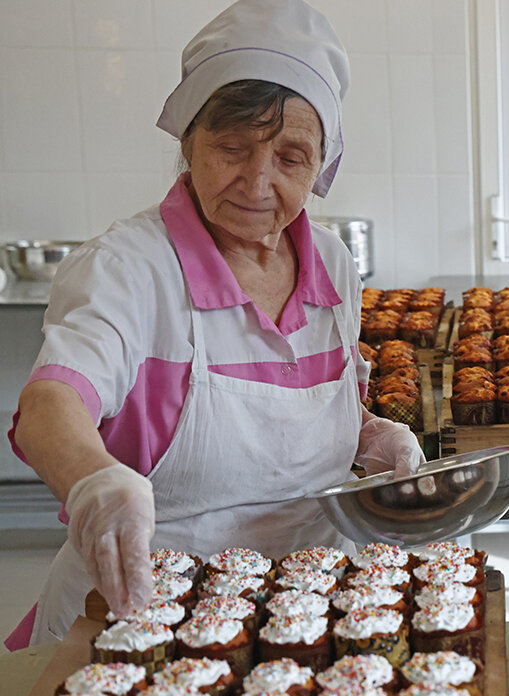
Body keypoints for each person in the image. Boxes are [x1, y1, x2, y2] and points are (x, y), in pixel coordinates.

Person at [6, 0, 423, 647]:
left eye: (290, 157)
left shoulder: (334, 264)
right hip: (146, 615)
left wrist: (367, 435)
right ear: (188, 141)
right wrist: (95, 480)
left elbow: (306, 414)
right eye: (233, 148)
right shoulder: (128, 267)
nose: (257, 182)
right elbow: (50, 404)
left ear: (322, 166)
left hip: (314, 612)